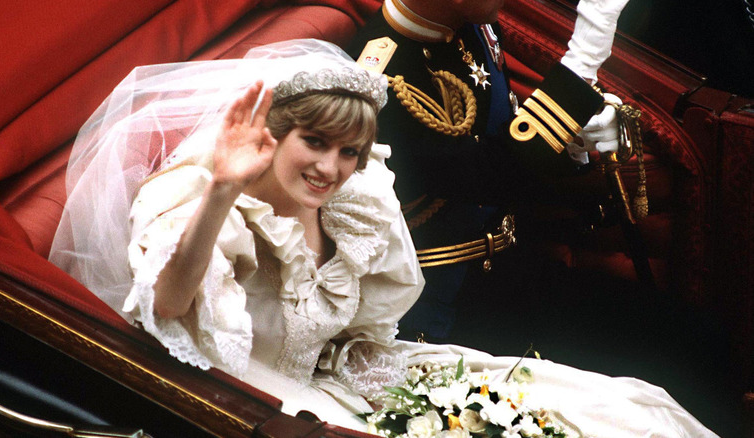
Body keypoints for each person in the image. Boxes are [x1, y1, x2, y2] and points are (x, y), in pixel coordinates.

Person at [50, 39, 717, 436]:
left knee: (600, 412)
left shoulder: (353, 196)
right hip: (258, 404)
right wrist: (223, 189)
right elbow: (168, 304)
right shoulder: (198, 203)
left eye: (349, 151)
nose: (330, 169)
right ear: (272, 134)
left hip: (349, 373)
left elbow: (359, 329)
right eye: (314, 143)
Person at [346, 0, 630, 342]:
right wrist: (584, 58)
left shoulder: (473, 23)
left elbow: (502, 134)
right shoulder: (378, 83)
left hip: (513, 264)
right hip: (443, 308)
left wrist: (575, 143)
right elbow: (489, 174)